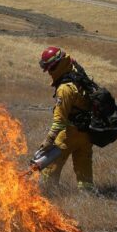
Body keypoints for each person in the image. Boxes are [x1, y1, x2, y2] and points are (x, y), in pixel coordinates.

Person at [36, 46, 95, 192]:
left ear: (57, 65)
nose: (49, 72)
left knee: (51, 167)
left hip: (69, 134)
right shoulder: (78, 76)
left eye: (50, 68)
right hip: (87, 133)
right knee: (84, 168)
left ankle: (48, 194)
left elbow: (59, 121)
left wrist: (48, 141)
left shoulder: (65, 89)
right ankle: (87, 195)